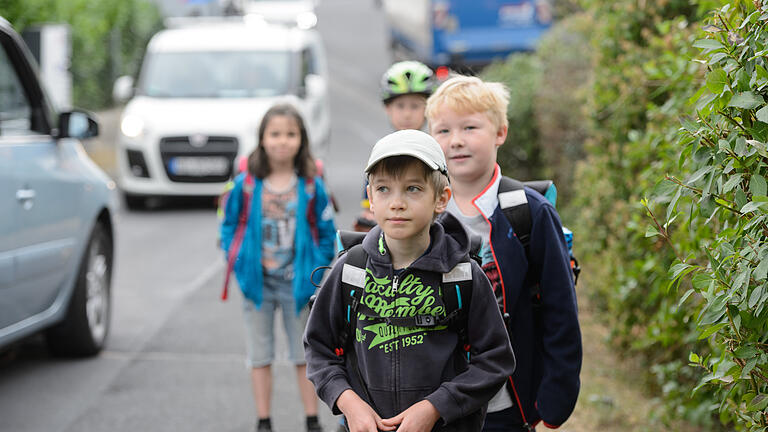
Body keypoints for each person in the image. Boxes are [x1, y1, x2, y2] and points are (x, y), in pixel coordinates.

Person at [305, 129, 515, 432]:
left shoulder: (462, 276)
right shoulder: (351, 271)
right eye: (384, 189)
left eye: (413, 189)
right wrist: (348, 402)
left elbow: (496, 360)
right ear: (371, 199)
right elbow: (318, 346)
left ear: (441, 199)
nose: (397, 203)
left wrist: (436, 407)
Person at [425, 75, 582, 431]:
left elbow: (561, 309)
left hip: (505, 405)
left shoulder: (529, 212)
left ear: (500, 133)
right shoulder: (422, 213)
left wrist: (556, 396)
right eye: (443, 131)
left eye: (470, 127)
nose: (456, 141)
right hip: (433, 403)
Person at [220, 103, 336, 432]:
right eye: (274, 134)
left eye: (290, 134)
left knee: (304, 356)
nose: (282, 141)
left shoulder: (312, 185)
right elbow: (228, 226)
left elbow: (328, 233)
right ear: (262, 139)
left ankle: (312, 420)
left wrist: (316, 265)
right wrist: (239, 263)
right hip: (258, 284)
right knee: (260, 356)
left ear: (301, 139)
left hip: (297, 285)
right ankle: (263, 421)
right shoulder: (246, 183)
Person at [354, 61, 437, 232]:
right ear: (387, 108)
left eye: (415, 106)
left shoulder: (436, 152)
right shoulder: (381, 154)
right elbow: (369, 207)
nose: (407, 114)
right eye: (400, 106)